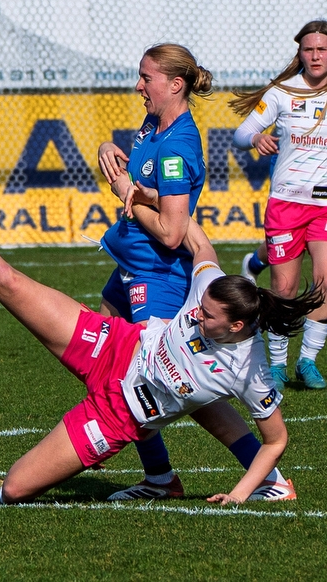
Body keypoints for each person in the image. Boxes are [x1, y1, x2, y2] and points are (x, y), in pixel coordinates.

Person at [0, 167, 322, 504]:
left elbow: (276, 440)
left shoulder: (252, 370)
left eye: (206, 317)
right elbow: (199, 244)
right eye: (198, 309)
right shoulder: (212, 286)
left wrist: (241, 493)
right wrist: (139, 195)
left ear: (237, 327)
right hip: (114, 343)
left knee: (13, 491)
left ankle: (158, 481)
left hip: (118, 415)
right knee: (8, 281)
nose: (196, 315)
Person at [95, 45, 281, 501]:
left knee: (158, 379)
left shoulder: (178, 145)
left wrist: (126, 191)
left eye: (146, 78)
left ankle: (267, 480)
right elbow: (145, 186)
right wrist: (108, 151)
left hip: (157, 275)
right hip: (130, 266)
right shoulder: (154, 124)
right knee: (106, 367)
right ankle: (160, 478)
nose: (139, 86)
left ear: (175, 84)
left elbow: (173, 233)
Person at [231, 20, 327, 391]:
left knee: (324, 282)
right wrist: (256, 137)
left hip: (324, 206)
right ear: (300, 53)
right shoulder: (281, 93)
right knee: (284, 291)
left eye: (322, 49)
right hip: (286, 203)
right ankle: (276, 364)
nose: (316, 56)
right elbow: (240, 133)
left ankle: (307, 361)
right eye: (309, 49)